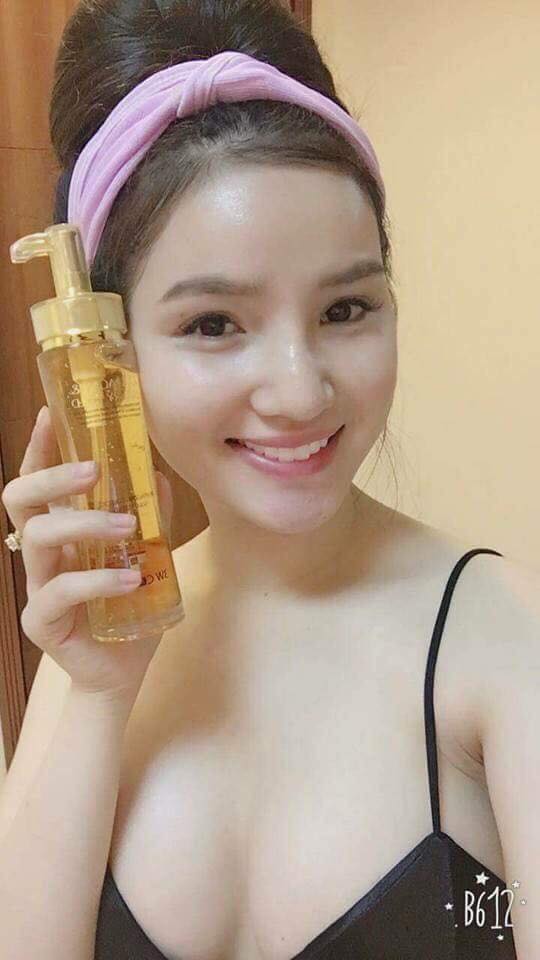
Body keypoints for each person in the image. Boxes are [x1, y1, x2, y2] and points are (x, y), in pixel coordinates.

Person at [1, 2, 536, 958]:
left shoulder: (503, 640)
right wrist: (97, 693)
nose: (300, 390)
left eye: (346, 308)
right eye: (214, 324)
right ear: (114, 348)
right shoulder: (91, 658)